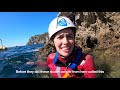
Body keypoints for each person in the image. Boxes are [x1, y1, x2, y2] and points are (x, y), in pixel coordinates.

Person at [27, 16, 96, 78]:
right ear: (53, 41)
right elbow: (48, 64)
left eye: (69, 36)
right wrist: (35, 63)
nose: (65, 42)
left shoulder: (86, 60)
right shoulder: (51, 58)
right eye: (60, 37)